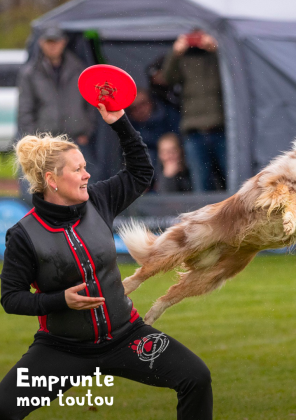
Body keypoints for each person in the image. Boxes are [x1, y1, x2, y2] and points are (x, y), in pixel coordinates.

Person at [0, 105, 212, 419]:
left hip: (127, 337)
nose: (87, 175)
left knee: (196, 377)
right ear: (51, 180)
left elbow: (140, 172)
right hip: (62, 348)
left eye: (85, 167)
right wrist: (61, 301)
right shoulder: (23, 235)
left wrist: (120, 123)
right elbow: (11, 299)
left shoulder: (98, 200)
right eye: (77, 170)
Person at [17, 26, 96, 194]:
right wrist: (33, 140)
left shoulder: (79, 69)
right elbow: (25, 110)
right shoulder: (30, 74)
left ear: (64, 42)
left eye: (56, 41)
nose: (52, 46)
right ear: (41, 43)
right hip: (46, 142)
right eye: (48, 42)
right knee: (43, 187)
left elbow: (90, 103)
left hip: (76, 139)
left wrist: (87, 130)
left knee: (81, 185)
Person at [162, 29, 226, 192]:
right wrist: (175, 53)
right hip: (194, 131)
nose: (196, 41)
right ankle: (204, 218)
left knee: (232, 179)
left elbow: (234, 73)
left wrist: (218, 48)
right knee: (201, 183)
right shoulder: (183, 59)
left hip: (220, 128)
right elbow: (167, 79)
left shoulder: (216, 57)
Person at [126, 88, 180, 170]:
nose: (139, 110)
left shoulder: (169, 116)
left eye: (142, 104)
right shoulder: (129, 129)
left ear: (151, 102)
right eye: (134, 108)